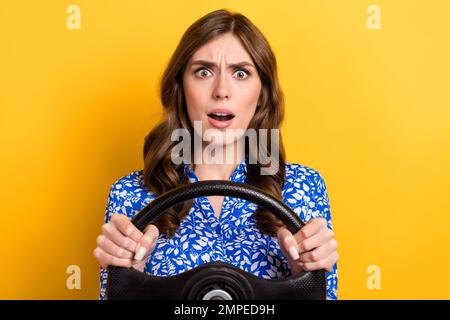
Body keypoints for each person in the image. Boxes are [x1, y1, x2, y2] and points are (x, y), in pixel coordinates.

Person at [93, 9, 339, 300]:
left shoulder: (304, 187)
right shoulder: (130, 194)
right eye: (204, 71)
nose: (222, 90)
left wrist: (304, 280)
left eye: (240, 73)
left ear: (262, 92)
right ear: (180, 88)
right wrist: (130, 280)